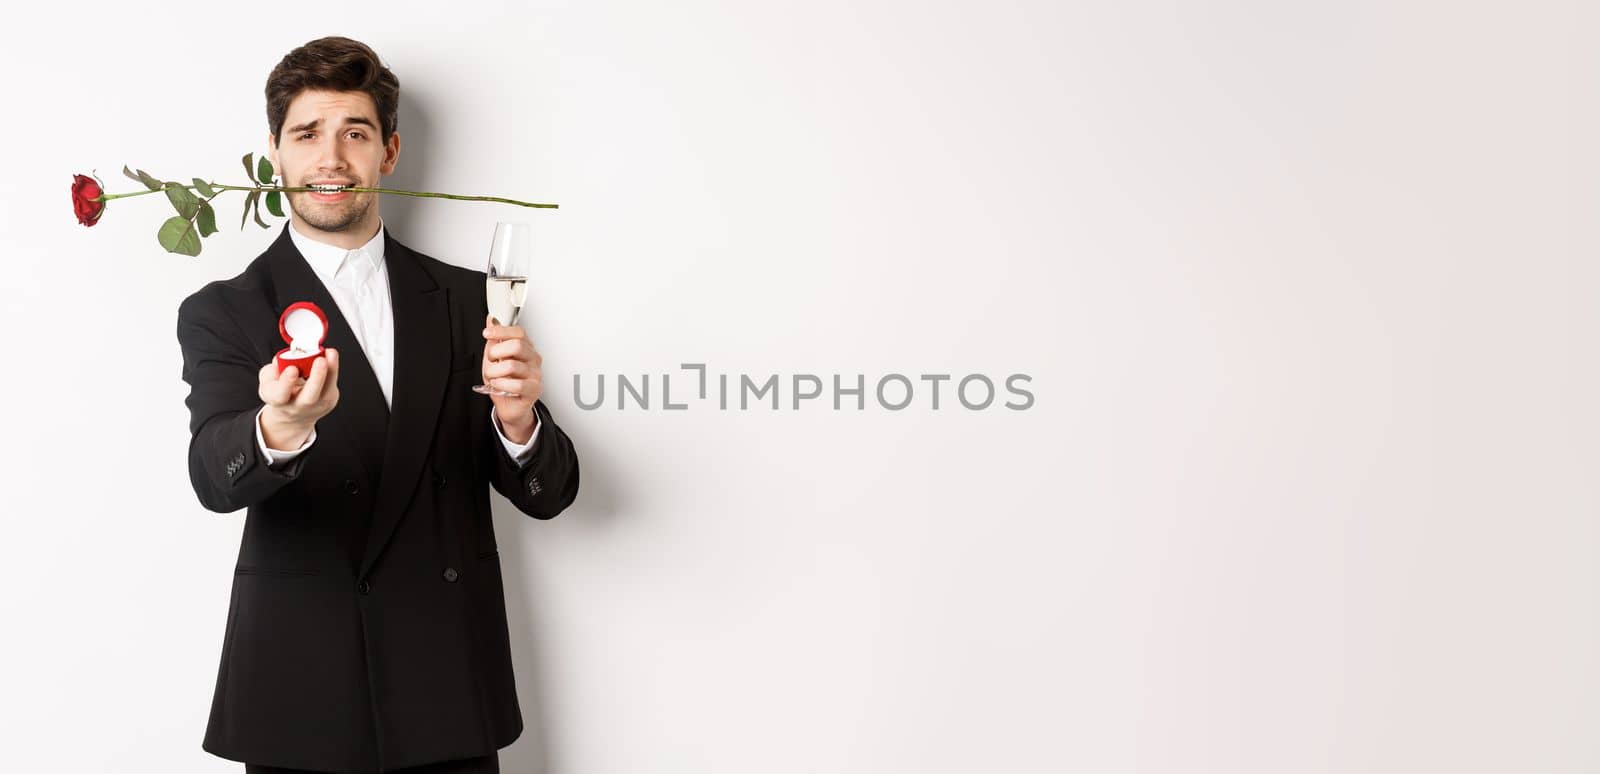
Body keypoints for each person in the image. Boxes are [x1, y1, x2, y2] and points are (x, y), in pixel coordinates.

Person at [175, 36, 580, 773]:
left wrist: (518, 423)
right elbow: (212, 474)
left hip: (448, 687)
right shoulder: (226, 310)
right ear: (275, 153)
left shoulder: (465, 299)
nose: (331, 158)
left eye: (355, 133)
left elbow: (549, 494)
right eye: (307, 134)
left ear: (388, 153)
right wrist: (280, 428)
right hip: (301, 695)